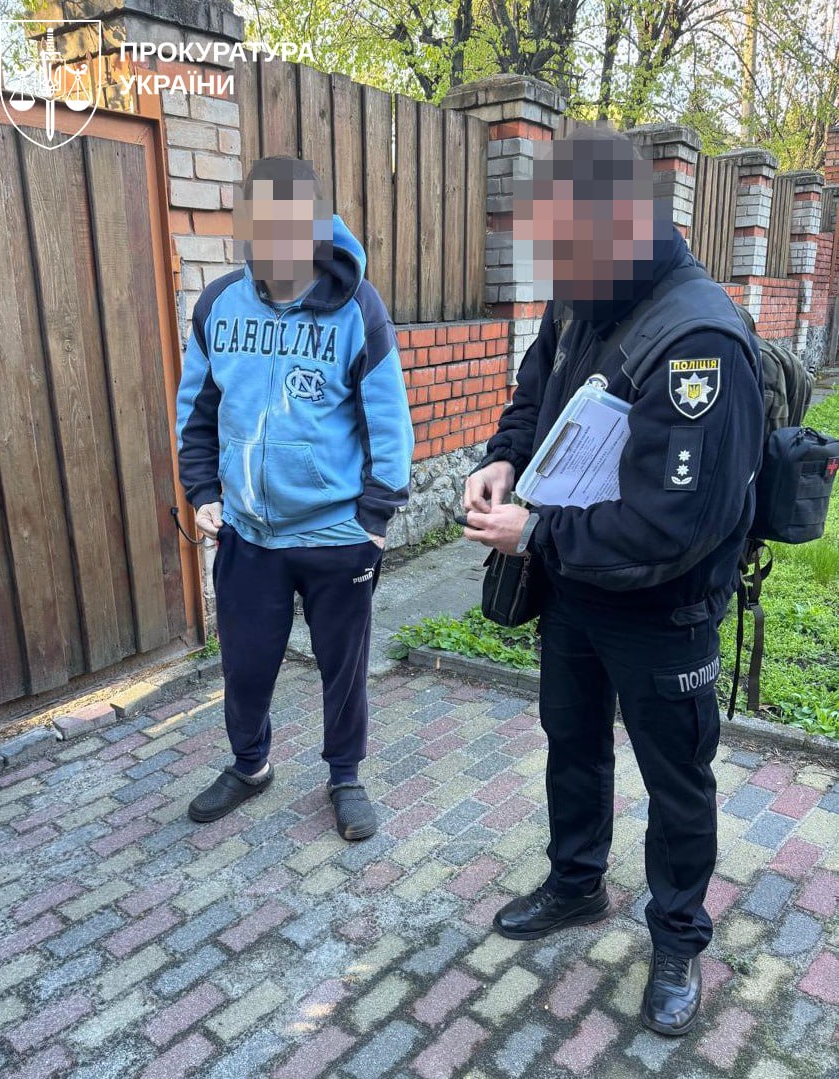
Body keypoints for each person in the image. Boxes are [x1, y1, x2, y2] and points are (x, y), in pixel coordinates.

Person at [462, 125, 764, 1036]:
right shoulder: (581, 291)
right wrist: (504, 458)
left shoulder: (700, 338)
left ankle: (676, 938)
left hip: (662, 605)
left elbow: (673, 524)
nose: (557, 275)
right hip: (574, 587)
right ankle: (576, 882)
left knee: (677, 780)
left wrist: (534, 533)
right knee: (573, 740)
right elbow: (536, 391)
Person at [175, 156, 414, 840]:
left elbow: (387, 419)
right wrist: (202, 489)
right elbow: (197, 409)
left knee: (344, 670)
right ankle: (250, 765)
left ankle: (345, 776)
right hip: (248, 534)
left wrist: (374, 519)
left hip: (338, 535)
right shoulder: (219, 305)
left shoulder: (358, 307)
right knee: (245, 665)